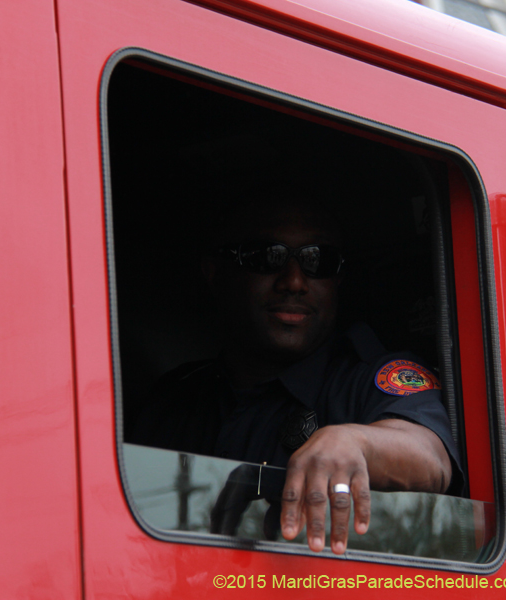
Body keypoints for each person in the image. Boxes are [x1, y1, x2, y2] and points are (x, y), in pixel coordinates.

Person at [128, 188, 462, 554]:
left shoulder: (367, 378)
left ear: (338, 280)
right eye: (266, 257)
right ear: (214, 272)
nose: (294, 281)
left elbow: (430, 457)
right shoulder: (173, 399)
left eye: (317, 261)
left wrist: (356, 442)